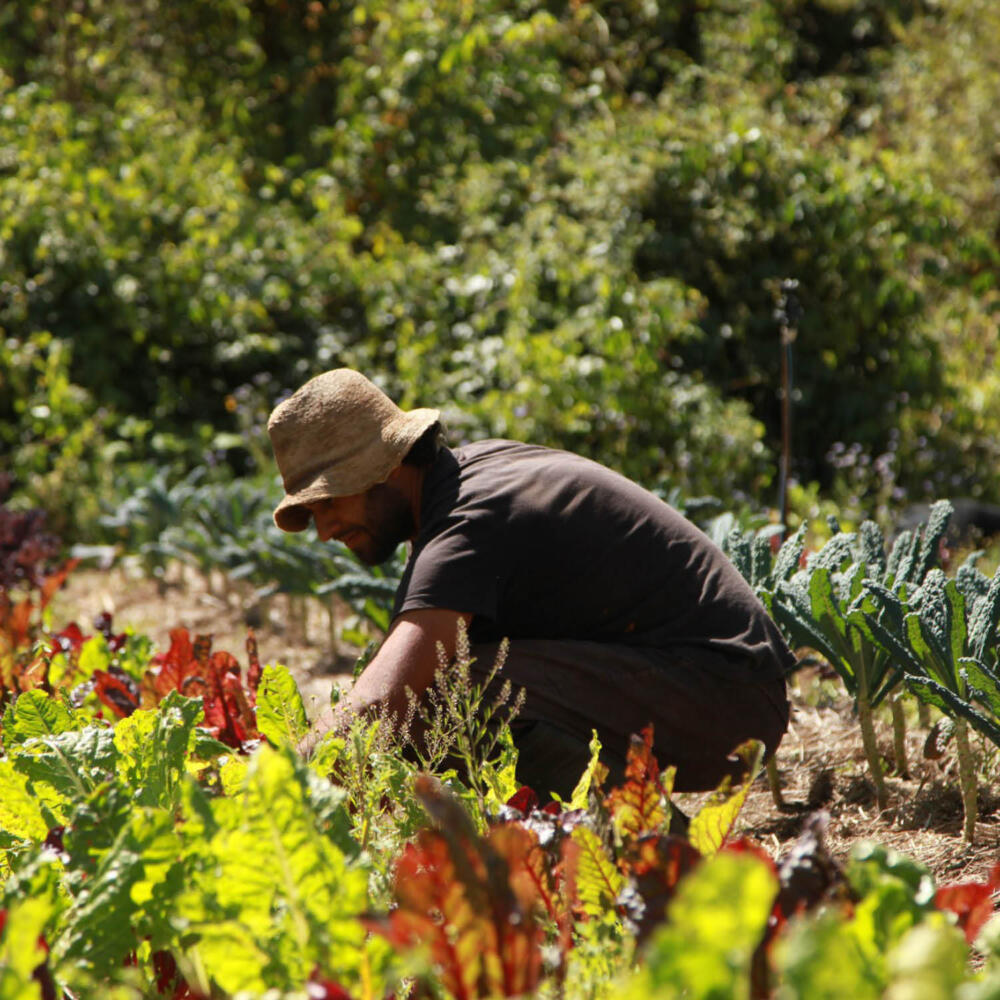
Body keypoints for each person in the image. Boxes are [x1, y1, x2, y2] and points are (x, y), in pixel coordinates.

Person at [268, 368, 793, 798]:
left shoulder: (467, 521)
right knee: (441, 695)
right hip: (717, 686)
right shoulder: (465, 480)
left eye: (331, 502)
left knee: (441, 701)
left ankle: (649, 850)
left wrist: (272, 792)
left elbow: (380, 704)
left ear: (387, 467)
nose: (326, 529)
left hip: (726, 695)